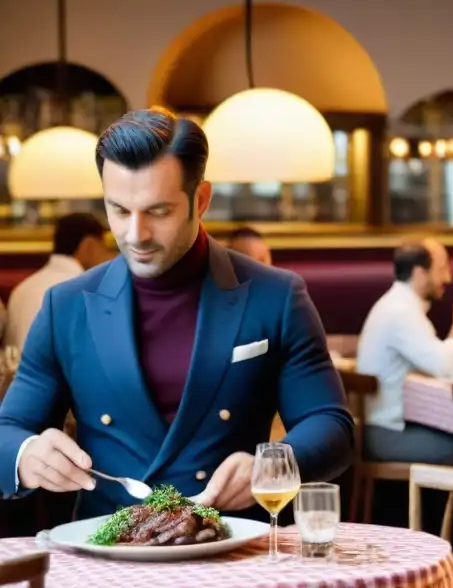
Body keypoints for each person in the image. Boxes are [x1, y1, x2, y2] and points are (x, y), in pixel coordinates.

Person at [0, 109, 353, 518]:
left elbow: (331, 426)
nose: (136, 234)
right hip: (108, 554)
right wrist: (27, 455)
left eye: (158, 211)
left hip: (236, 549)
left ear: (200, 200)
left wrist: (271, 466)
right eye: (118, 210)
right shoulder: (66, 305)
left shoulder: (277, 295)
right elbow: (8, 431)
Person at [356, 238, 453, 464]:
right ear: (419, 273)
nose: (448, 278)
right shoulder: (401, 311)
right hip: (387, 434)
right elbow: (449, 369)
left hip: (384, 428)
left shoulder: (397, 305)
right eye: (442, 269)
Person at [4, 213, 111, 351]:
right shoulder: (82, 292)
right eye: (105, 247)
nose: (109, 257)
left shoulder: (23, 288)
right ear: (89, 246)